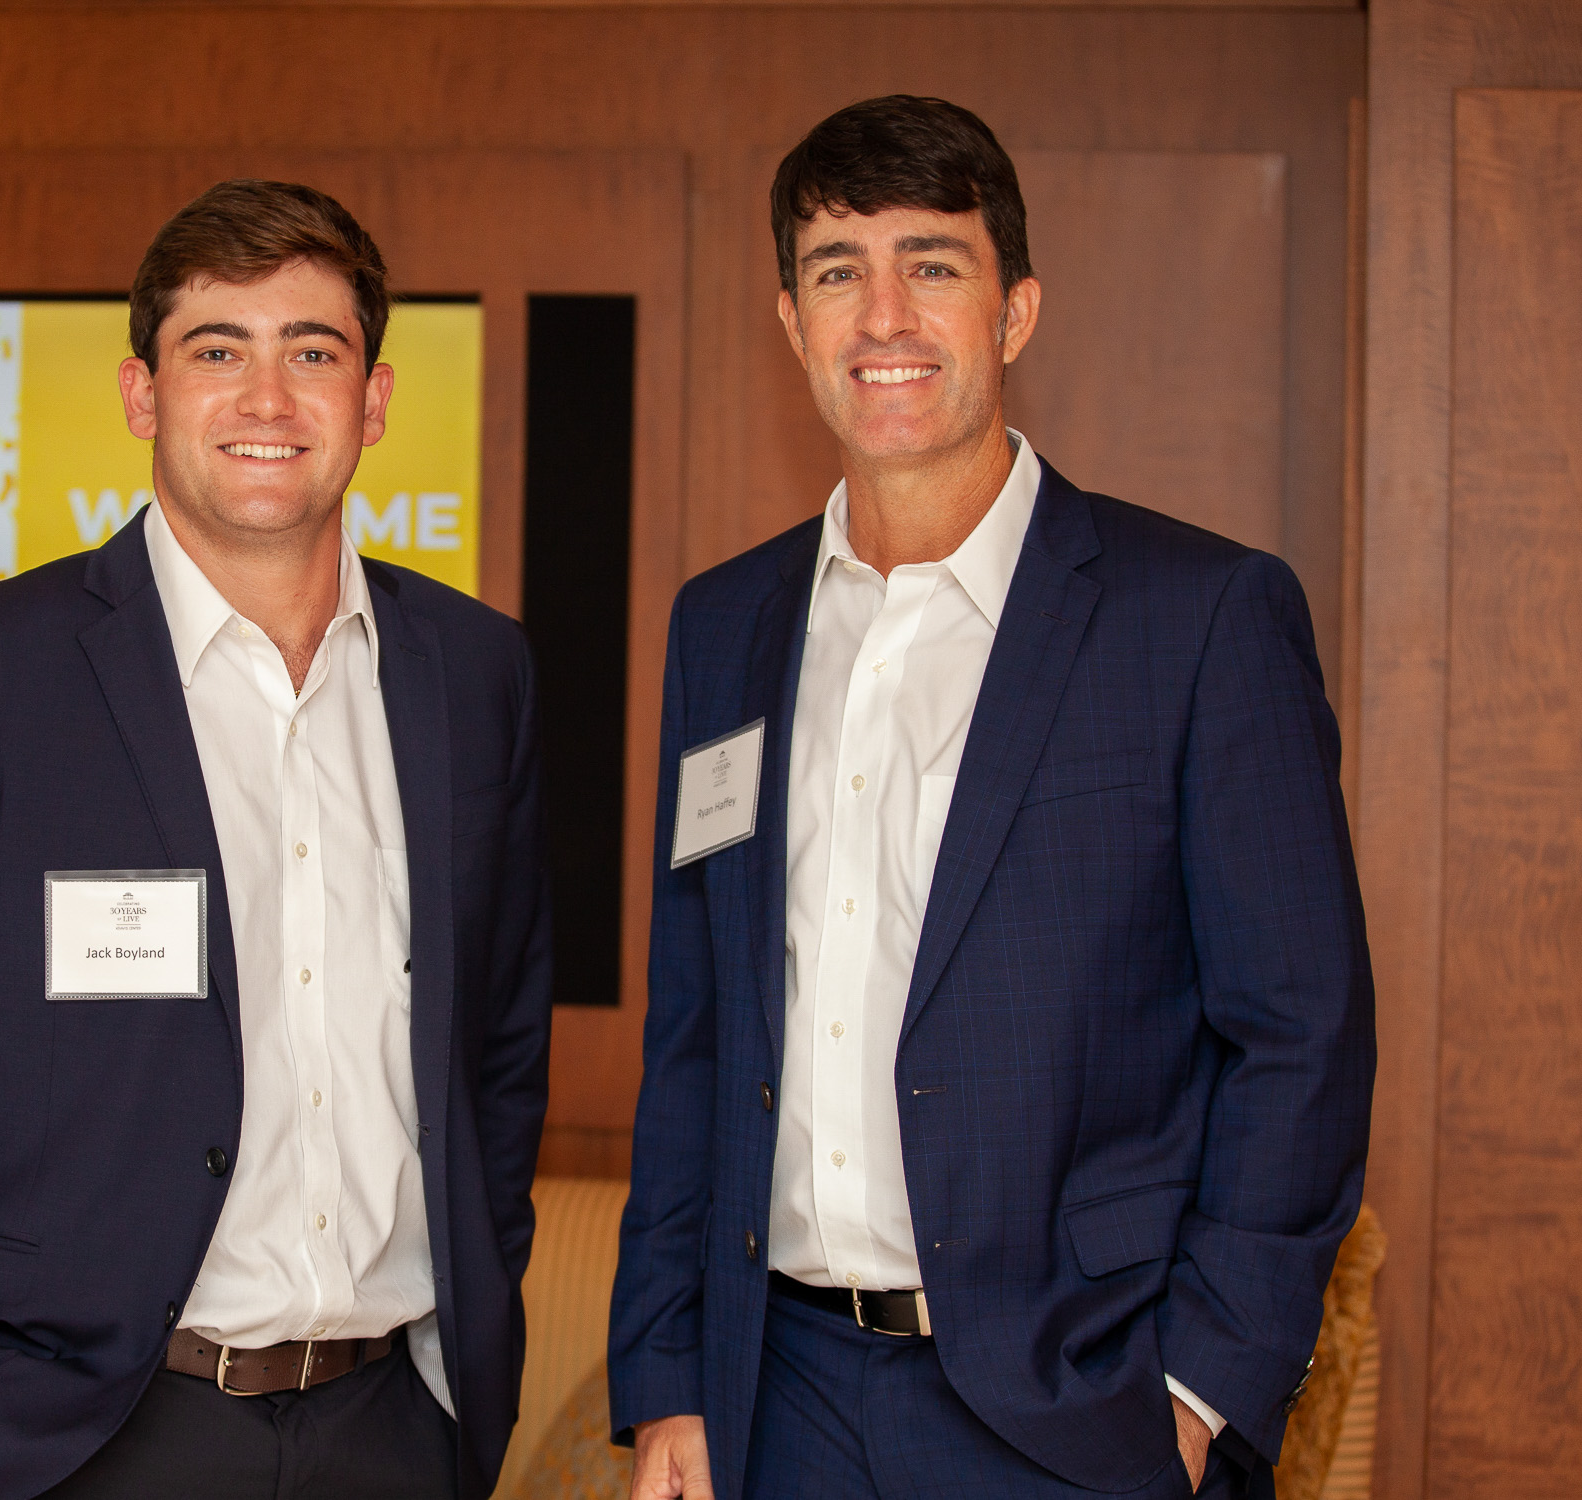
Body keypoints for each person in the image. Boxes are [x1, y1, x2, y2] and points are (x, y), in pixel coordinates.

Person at [608, 96, 1372, 1500]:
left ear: (1015, 310)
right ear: (791, 321)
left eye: (933, 265)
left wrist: (1200, 1389)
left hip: (1077, 1404)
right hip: (774, 1400)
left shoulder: (1200, 617)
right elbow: (697, 1028)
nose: (883, 316)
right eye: (838, 271)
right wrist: (668, 1377)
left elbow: (1301, 1038)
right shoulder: (723, 628)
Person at [0, 180, 552, 1500]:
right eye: (217, 351)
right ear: (143, 395)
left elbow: (501, 1047)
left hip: (395, 1431)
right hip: (81, 1437)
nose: (268, 398)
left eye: (313, 352)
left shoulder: (477, 673)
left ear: (373, 401)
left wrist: (455, 1385)